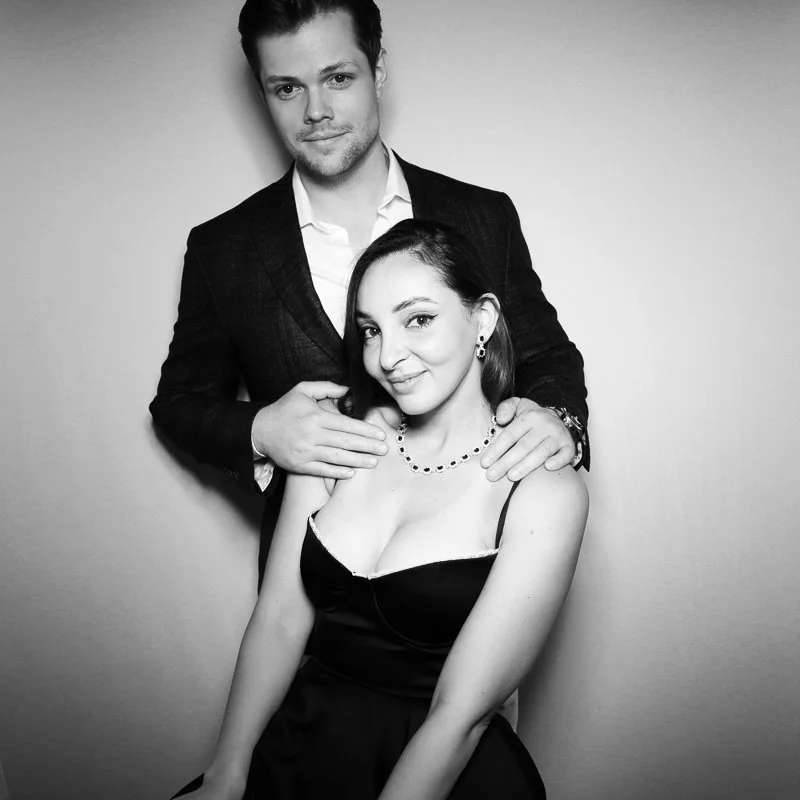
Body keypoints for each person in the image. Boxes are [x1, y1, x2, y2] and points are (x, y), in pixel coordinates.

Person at [149, 0, 590, 585]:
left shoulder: (481, 215)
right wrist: (260, 431)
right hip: (308, 583)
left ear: (378, 71)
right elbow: (179, 403)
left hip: (468, 577)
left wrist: (558, 419)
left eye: (338, 78)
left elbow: (548, 355)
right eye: (287, 88)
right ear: (263, 92)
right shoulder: (221, 248)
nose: (316, 111)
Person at [170, 219, 589, 799]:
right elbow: (280, 618)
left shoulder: (542, 489)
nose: (388, 356)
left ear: (483, 319)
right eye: (370, 330)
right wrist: (228, 773)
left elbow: (460, 715)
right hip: (303, 744)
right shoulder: (336, 439)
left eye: (418, 319)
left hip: (442, 770)